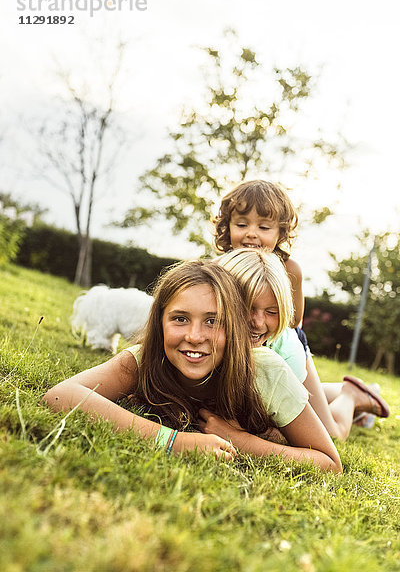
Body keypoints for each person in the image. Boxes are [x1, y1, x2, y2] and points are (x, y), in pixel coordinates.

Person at [44, 259, 342, 472]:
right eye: (180, 318)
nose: (195, 336)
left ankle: (352, 396)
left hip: (281, 405)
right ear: (159, 322)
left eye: (213, 321)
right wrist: (172, 441)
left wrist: (240, 440)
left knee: (337, 425)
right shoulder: (145, 360)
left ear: (236, 326)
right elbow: (60, 395)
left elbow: (328, 462)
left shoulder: (266, 371)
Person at [214, 179, 377, 429]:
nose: (251, 233)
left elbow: (292, 322)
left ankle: (350, 397)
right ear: (228, 226)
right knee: (303, 400)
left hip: (286, 344)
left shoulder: (290, 270)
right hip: (245, 342)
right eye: (242, 224)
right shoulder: (221, 268)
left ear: (280, 233)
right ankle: (349, 393)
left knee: (329, 430)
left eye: (264, 227)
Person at [215, 248, 390, 441]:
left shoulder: (285, 354)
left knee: (332, 433)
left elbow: (285, 422)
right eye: (247, 308)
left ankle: (350, 395)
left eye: (271, 312)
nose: (258, 322)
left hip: (292, 366)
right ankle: (339, 390)